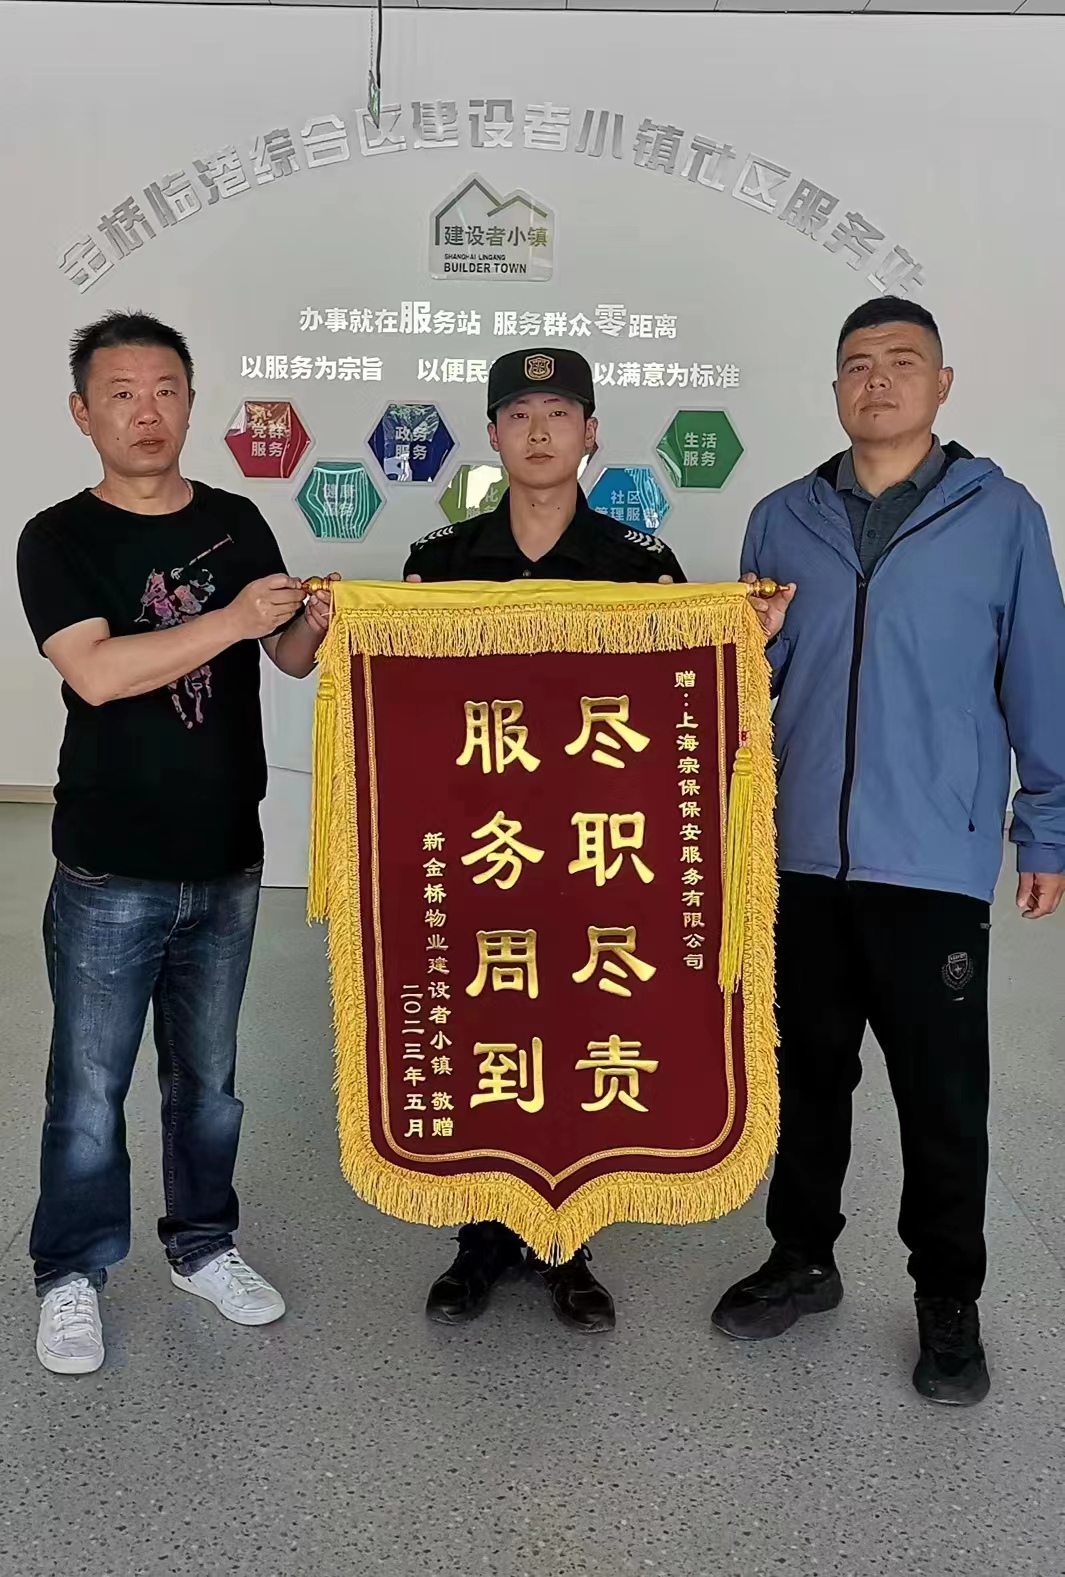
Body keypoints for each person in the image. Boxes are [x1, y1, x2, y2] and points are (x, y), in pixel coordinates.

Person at [712, 296, 1065, 1406]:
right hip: (801, 857)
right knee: (806, 1074)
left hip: (931, 860)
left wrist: (1045, 823)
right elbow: (749, 692)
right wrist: (752, 653)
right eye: (857, 364)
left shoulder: (1001, 516)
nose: (878, 380)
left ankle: (947, 1295)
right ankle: (800, 1255)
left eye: (902, 362)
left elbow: (1038, 676)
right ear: (834, 387)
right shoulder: (781, 517)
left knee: (940, 1093)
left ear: (941, 384)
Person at [17, 311, 338, 1375]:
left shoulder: (237, 519)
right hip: (110, 865)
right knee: (88, 1090)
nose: (146, 411)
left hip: (226, 859)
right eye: (121, 393)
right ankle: (70, 1271)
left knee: (208, 1084)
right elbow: (97, 671)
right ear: (83, 413)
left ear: (192, 403)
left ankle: (203, 1246)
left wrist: (317, 617)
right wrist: (236, 617)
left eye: (165, 390)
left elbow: (286, 656)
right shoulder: (59, 537)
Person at [404, 347, 686, 1333]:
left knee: (578, 1034)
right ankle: (483, 1234)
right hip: (481, 846)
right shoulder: (440, 563)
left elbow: (685, 705)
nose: (538, 431)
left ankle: (568, 1240)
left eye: (559, 413)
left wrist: (754, 634)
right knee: (487, 1029)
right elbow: (402, 714)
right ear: (491, 434)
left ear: (591, 432)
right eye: (518, 413)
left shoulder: (641, 566)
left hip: (593, 853)